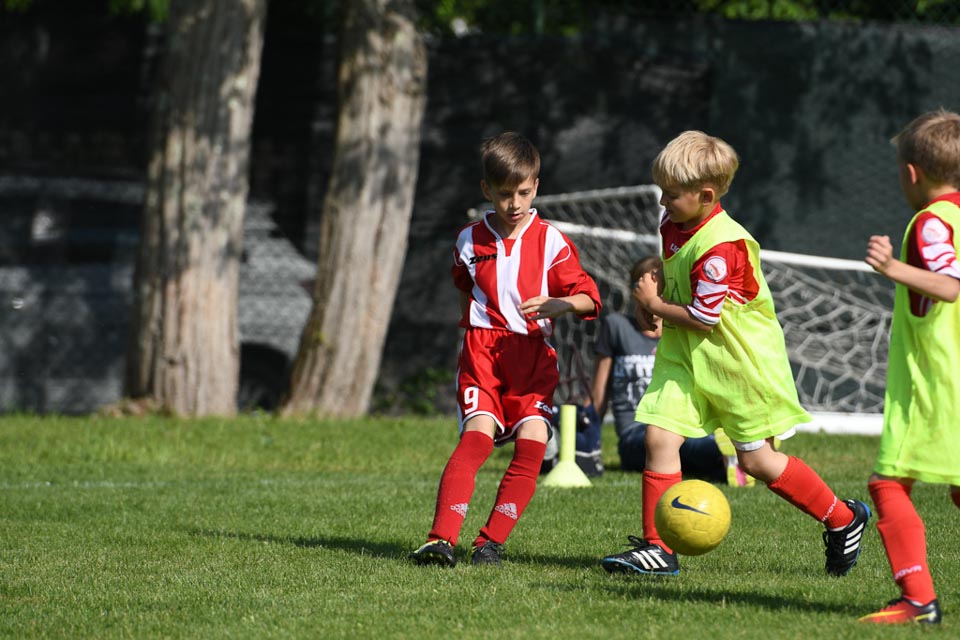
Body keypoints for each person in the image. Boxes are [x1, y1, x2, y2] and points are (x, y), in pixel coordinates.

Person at [600, 130, 870, 577]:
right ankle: (657, 548)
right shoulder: (672, 223)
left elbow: (704, 318)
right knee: (658, 438)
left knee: (756, 461)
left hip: (736, 364)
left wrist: (654, 305)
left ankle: (843, 519)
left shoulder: (722, 248)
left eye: (672, 194)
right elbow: (679, 275)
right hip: (686, 357)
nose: (663, 202)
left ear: (706, 195)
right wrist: (661, 289)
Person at [410, 132, 602, 568]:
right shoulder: (468, 240)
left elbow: (589, 298)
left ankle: (489, 543)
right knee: (477, 438)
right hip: (483, 354)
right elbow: (464, 287)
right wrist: (477, 326)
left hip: (533, 357)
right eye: (504, 194)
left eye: (524, 193)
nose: (514, 203)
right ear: (486, 189)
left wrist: (562, 303)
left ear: (536, 186)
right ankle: (441, 540)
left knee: (533, 443)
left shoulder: (551, 241)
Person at [857, 109, 960, 625]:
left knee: (889, 483)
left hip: (935, 382)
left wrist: (891, 267)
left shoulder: (931, 222)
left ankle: (918, 600)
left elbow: (949, 286)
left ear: (912, 173)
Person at [589, 254, 754, 487]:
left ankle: (735, 461)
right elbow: (598, 393)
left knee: (689, 444)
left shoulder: (683, 332)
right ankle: (731, 455)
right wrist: (589, 442)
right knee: (683, 444)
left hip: (682, 422)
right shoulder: (617, 326)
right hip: (636, 431)